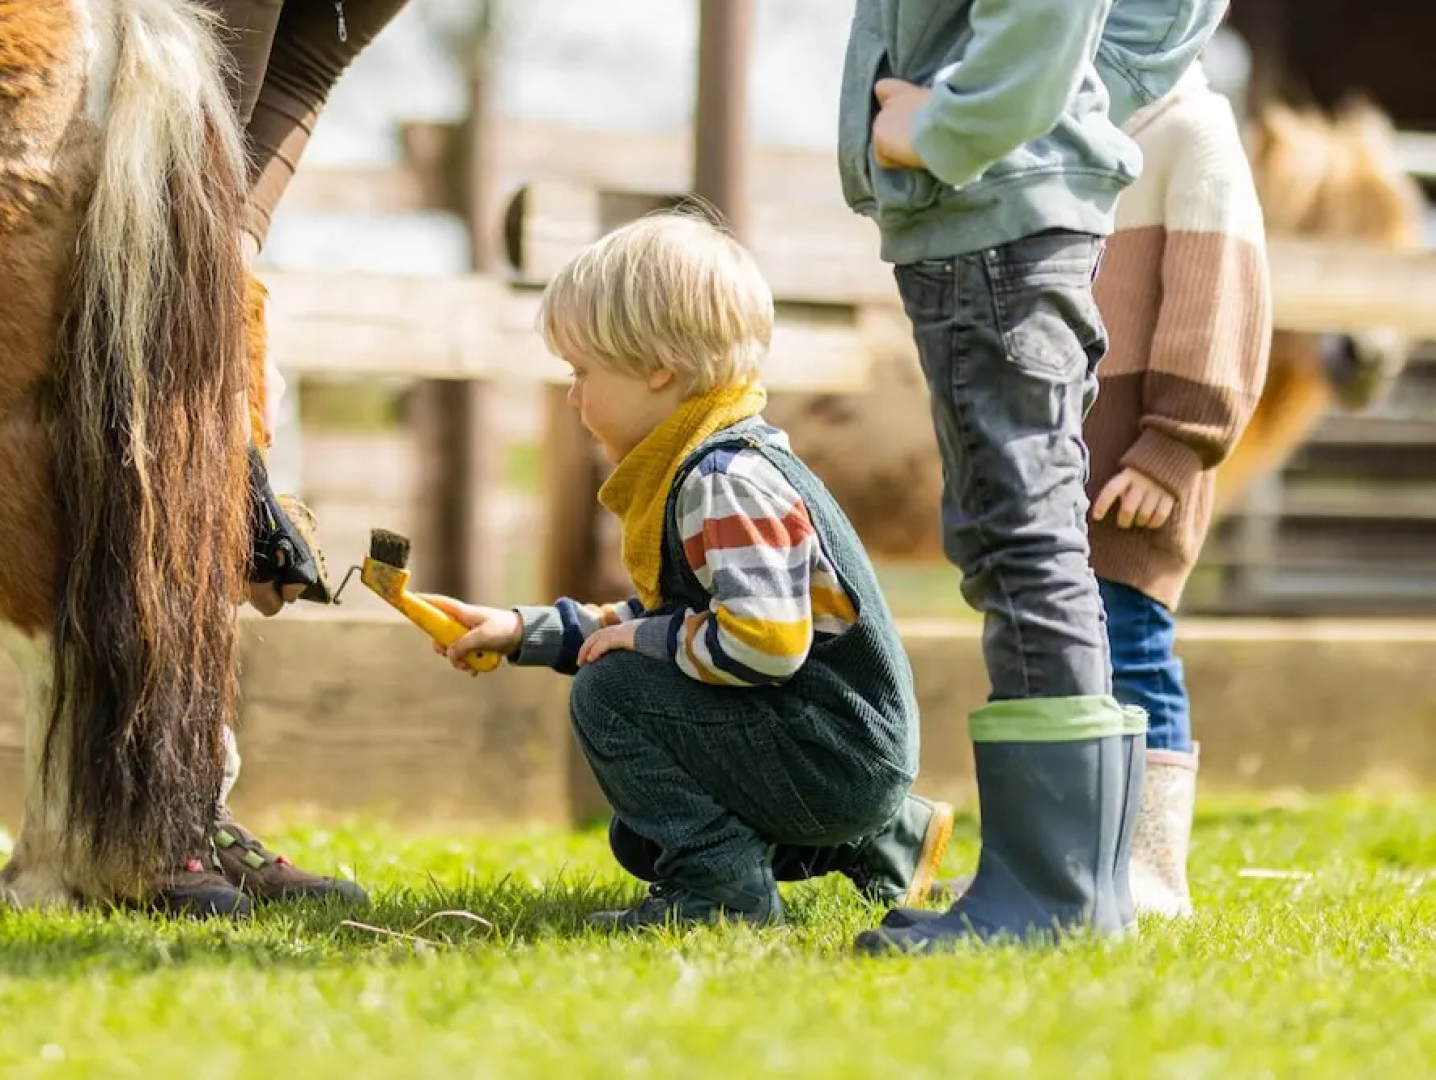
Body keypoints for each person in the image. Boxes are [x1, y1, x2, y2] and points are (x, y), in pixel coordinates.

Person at [425, 211, 954, 929]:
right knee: (643, 834)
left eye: (583, 372)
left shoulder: (723, 482)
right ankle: (882, 842)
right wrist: (524, 630)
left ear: (656, 368)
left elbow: (764, 645)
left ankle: (722, 899)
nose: (573, 395)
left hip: (835, 756)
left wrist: (636, 647)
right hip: (830, 746)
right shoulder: (709, 461)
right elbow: (683, 621)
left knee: (611, 692)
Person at [840, 0, 1229, 953]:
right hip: (1004, 213)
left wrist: (945, 129)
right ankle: (1069, 881)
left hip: (986, 221)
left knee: (1018, 542)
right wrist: (1065, 113)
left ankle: (1051, 895)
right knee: (1027, 533)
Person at [161, 0, 414, 914]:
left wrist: (229, 245)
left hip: (186, 207)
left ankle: (182, 806)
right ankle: (134, 811)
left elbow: (301, 69)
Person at [1084, 57, 1270, 918]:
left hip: (1137, 461)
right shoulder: (1076, 124)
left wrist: (1172, 445)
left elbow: (1219, 305)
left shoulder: (1192, 133)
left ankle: (1151, 866)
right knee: (1058, 660)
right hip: (1065, 455)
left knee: (1130, 645)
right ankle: (1064, 857)